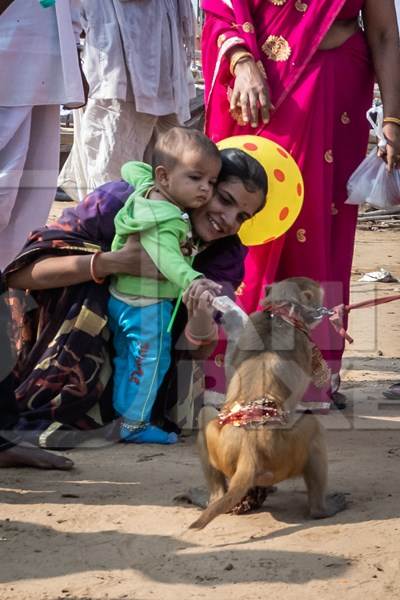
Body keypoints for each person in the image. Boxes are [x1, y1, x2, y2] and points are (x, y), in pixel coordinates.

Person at [201, 0, 400, 410]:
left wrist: (393, 120)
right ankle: (231, 371)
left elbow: (383, 33)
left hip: (335, 86)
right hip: (260, 85)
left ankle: (307, 374)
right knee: (251, 218)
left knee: (319, 226)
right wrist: (241, 60)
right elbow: (222, 9)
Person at [2, 148, 267, 449]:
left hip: (145, 371)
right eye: (225, 199)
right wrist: (112, 263)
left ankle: (129, 417)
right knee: (90, 296)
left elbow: (195, 354)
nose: (229, 220)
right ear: (200, 183)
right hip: (61, 353)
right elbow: (18, 276)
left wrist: (199, 316)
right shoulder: (121, 203)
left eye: (242, 217)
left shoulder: (225, 255)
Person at [108, 127, 222, 444]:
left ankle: (122, 412)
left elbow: (131, 169)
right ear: (165, 176)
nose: (205, 190)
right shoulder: (167, 218)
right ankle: (135, 423)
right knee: (152, 360)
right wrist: (193, 279)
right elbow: (167, 257)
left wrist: (148, 172)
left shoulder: (147, 190)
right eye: (196, 178)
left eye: (211, 182)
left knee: (127, 357)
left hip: (121, 297)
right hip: (147, 304)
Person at [58, 0, 196, 201]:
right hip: (117, 48)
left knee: (167, 156)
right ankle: (109, 223)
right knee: (112, 157)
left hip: (162, 47)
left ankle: (150, 221)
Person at [0, 0, 86, 270]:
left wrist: (72, 56)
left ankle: (8, 274)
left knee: (26, 195)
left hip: (45, 60)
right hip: (11, 46)